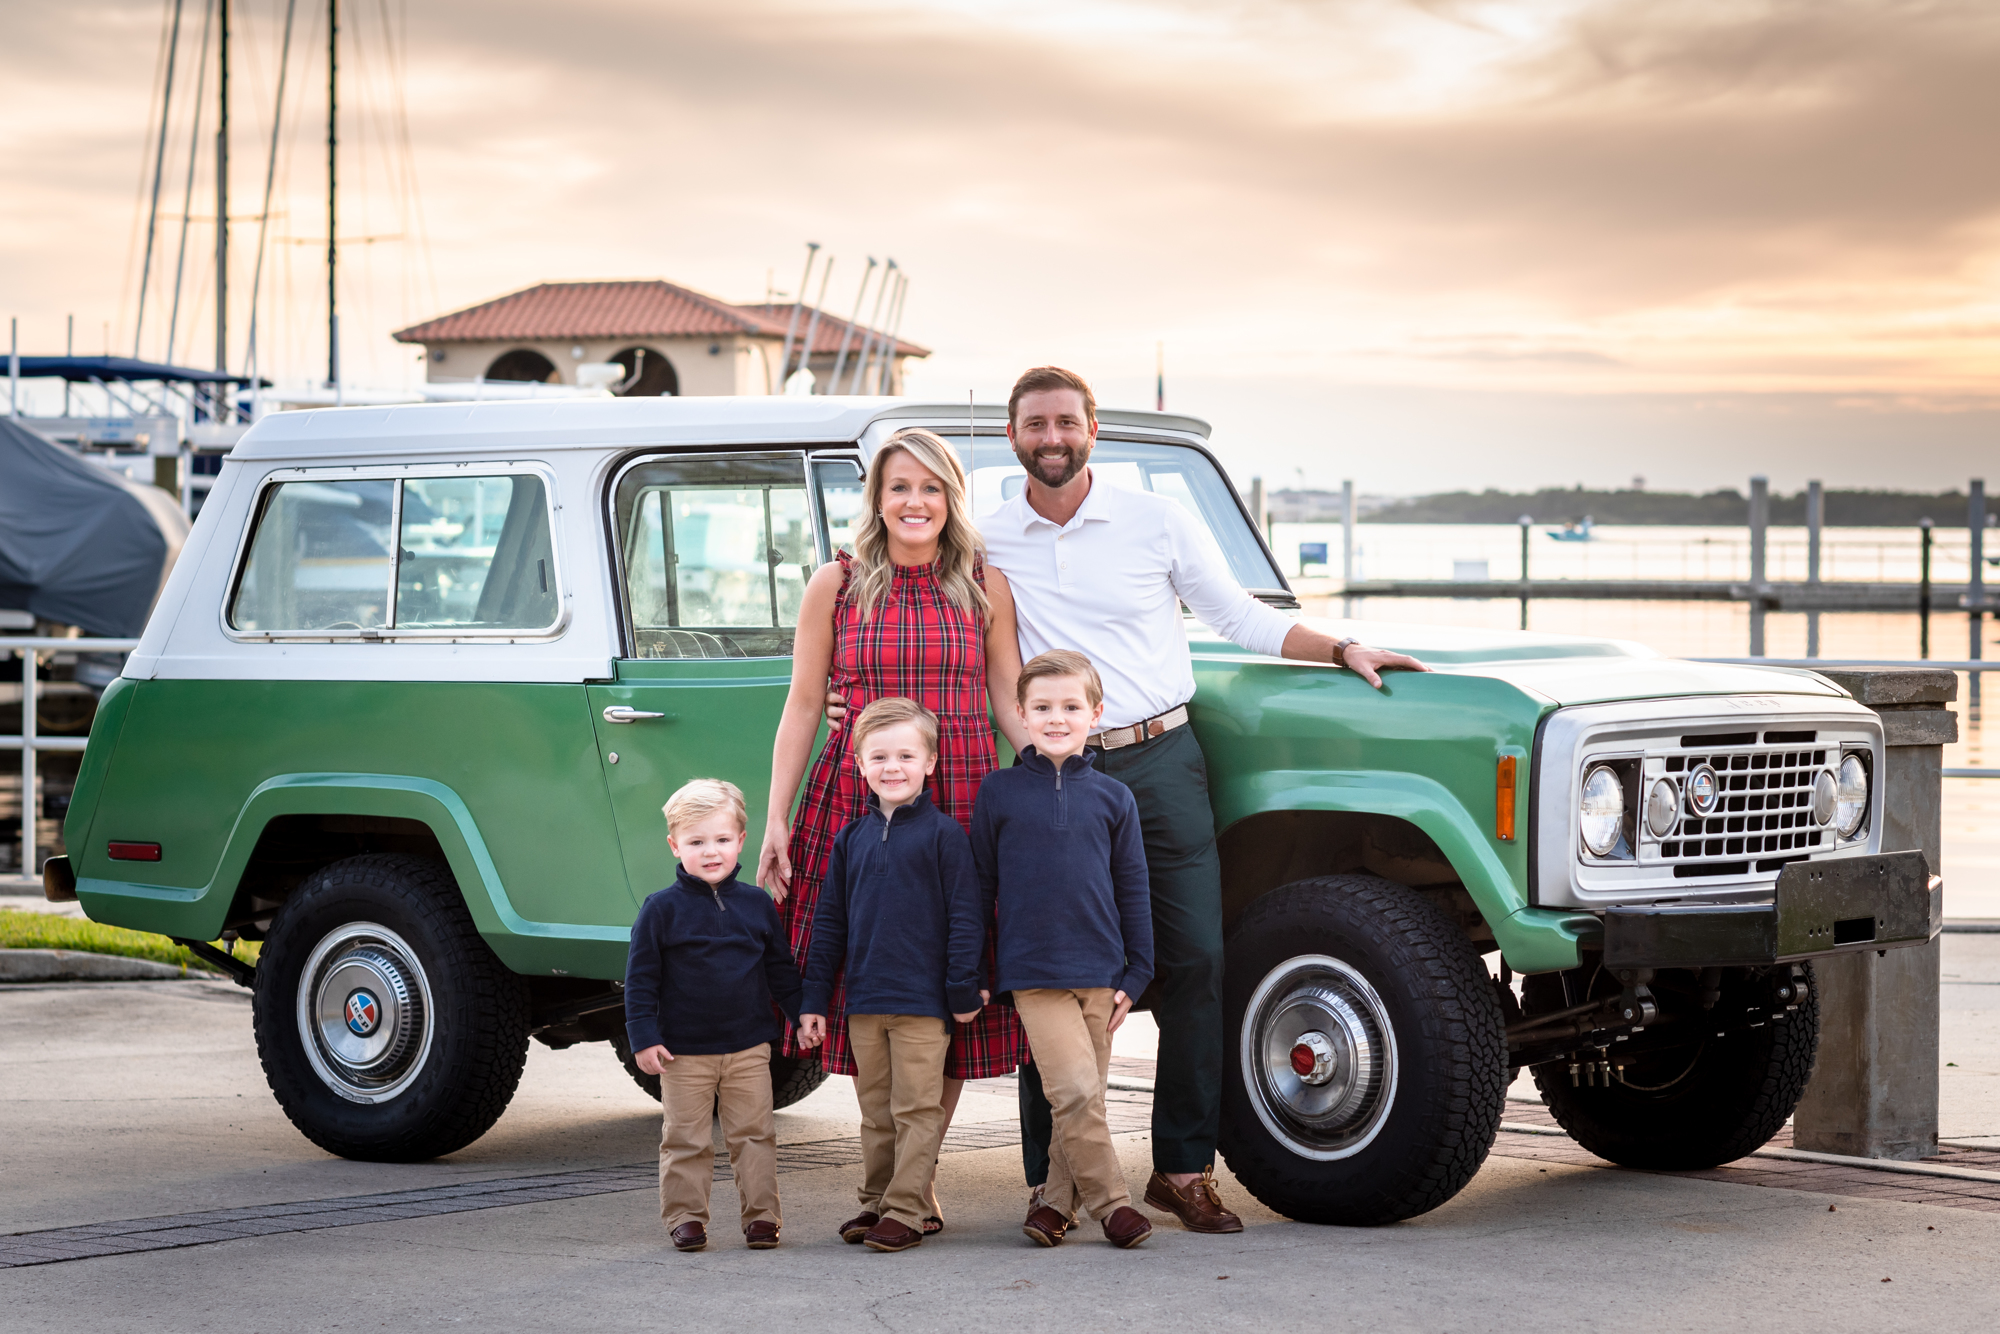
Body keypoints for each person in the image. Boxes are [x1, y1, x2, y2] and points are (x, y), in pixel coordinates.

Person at [984, 366, 1430, 1234]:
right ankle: (1056, 1182)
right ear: (1013, 436)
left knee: (1196, 961)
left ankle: (1183, 1168)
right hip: (1055, 774)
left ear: (1092, 430)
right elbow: (965, 636)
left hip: (1160, 761)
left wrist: (1341, 649)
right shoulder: (993, 538)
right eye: (1035, 424)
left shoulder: (1156, 518)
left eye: (1066, 422)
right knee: (1052, 967)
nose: (1051, 437)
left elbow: (1238, 616)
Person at [759, 426, 1032, 1236]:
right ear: (877, 500)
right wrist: (774, 815)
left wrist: (1061, 780)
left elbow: (1009, 697)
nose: (916, 503)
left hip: (961, 803)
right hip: (856, 804)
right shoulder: (835, 585)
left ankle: (915, 1184)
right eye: (899, 488)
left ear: (951, 498)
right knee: (864, 985)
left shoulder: (986, 583)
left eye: (932, 488)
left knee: (950, 988)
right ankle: (895, 1184)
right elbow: (805, 703)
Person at [973, 651, 1155, 1250]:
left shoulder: (1113, 798)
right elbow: (980, 888)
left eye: (1071, 707)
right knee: (1073, 1091)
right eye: (1042, 708)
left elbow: (1133, 886)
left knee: (1082, 1096)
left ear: (1095, 714)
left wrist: (1139, 968)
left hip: (1101, 972)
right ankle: (1113, 1204)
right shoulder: (998, 794)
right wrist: (976, 968)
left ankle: (1054, 1204)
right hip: (1034, 973)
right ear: (1021, 714)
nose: (1057, 718)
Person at [797, 698, 988, 1253]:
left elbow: (965, 917)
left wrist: (960, 987)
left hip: (924, 1005)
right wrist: (814, 998)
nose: (892, 766)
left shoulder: (945, 835)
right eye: (879, 756)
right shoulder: (850, 839)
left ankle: (908, 1209)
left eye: (906, 755)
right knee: (875, 1112)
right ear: (859, 764)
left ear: (930, 763)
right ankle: (877, 1201)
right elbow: (829, 925)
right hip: (864, 1002)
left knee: (916, 1109)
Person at [624, 778, 803, 1254]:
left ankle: (762, 1218)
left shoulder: (757, 905)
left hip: (748, 1047)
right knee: (685, 1140)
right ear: (674, 845)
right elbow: (641, 981)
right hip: (684, 1052)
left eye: (721, 840)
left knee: (755, 1136)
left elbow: (780, 971)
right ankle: (686, 1218)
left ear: (741, 841)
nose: (710, 852)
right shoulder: (661, 910)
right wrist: (643, 1037)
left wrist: (802, 1014)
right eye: (696, 842)